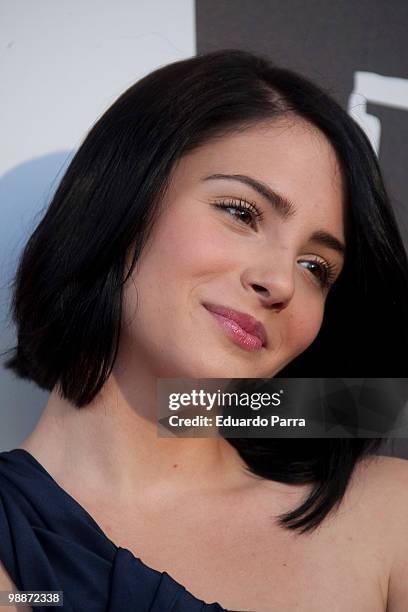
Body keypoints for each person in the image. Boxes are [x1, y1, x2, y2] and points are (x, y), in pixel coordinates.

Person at [1, 48, 408, 611]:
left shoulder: (389, 520)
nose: (281, 282)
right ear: (122, 202)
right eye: (241, 212)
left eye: (316, 267)